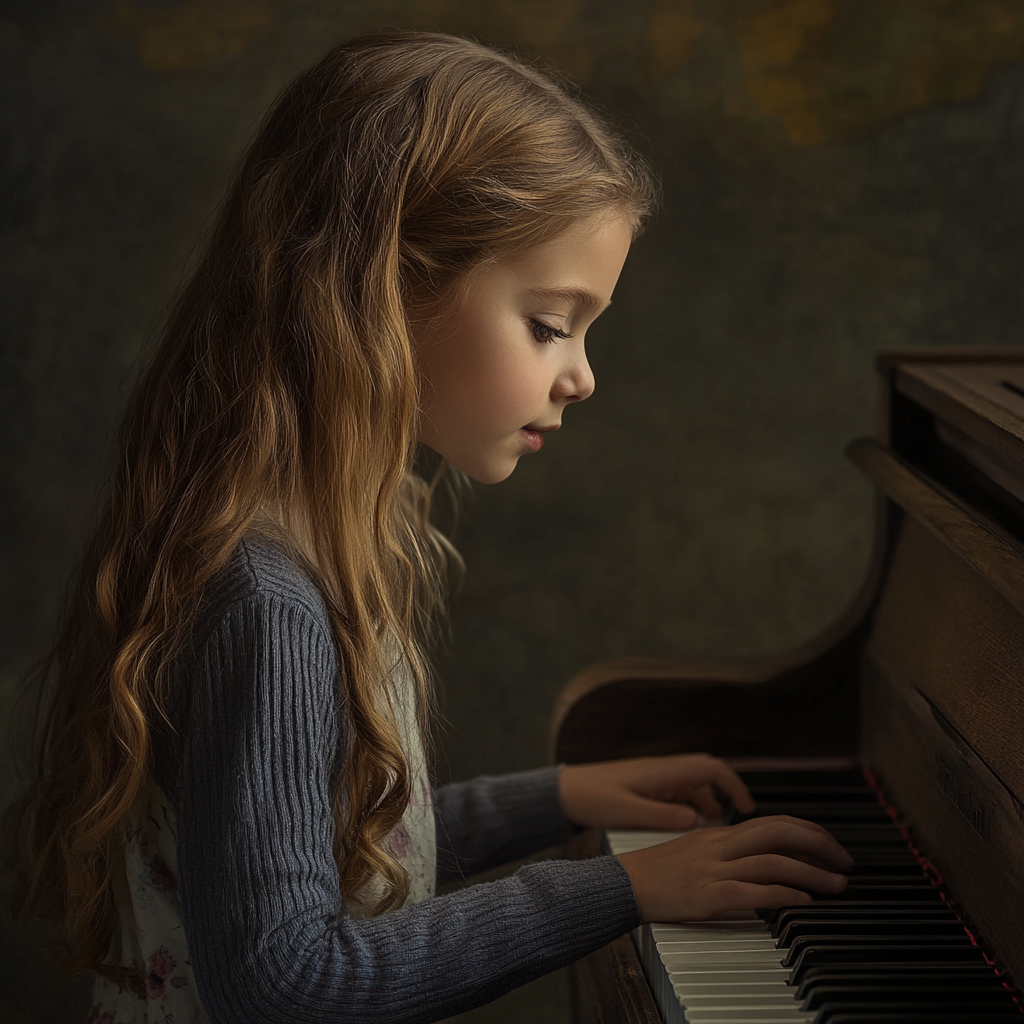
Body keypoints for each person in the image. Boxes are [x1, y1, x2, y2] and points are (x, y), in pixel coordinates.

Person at [7, 31, 852, 1024]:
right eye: (548, 322)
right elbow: (285, 982)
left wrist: (565, 797)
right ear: (386, 288)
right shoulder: (268, 601)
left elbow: (345, 853)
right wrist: (620, 889)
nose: (581, 376)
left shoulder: (300, 547)